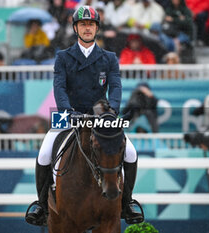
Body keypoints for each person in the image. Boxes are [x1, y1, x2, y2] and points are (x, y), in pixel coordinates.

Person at [25, 5, 143, 226]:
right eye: (83, 24)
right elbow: (59, 87)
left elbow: (115, 87)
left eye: (91, 24)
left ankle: (127, 203)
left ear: (96, 28)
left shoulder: (108, 58)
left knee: (131, 153)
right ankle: (41, 205)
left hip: (101, 117)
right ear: (76, 28)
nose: (87, 28)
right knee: (44, 153)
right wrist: (67, 111)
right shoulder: (63, 57)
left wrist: (113, 111)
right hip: (70, 116)